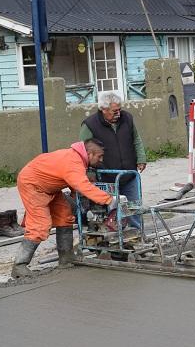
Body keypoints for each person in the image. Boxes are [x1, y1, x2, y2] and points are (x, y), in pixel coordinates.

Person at [13, 139, 114, 278]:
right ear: (89, 154)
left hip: (49, 187)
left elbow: (74, 183)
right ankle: (19, 266)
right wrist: (109, 200)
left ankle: (66, 258)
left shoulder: (76, 159)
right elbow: (82, 185)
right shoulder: (73, 162)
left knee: (65, 216)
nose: (101, 160)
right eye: (99, 156)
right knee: (40, 225)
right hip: (32, 185)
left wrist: (78, 197)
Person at [80, 91, 145, 228]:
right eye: (114, 111)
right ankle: (112, 240)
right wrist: (90, 175)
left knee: (133, 208)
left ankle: (137, 234)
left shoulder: (127, 118)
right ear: (103, 110)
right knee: (109, 212)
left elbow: (136, 139)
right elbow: (84, 153)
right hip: (105, 177)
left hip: (129, 174)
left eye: (119, 110)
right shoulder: (90, 125)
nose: (118, 114)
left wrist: (141, 158)